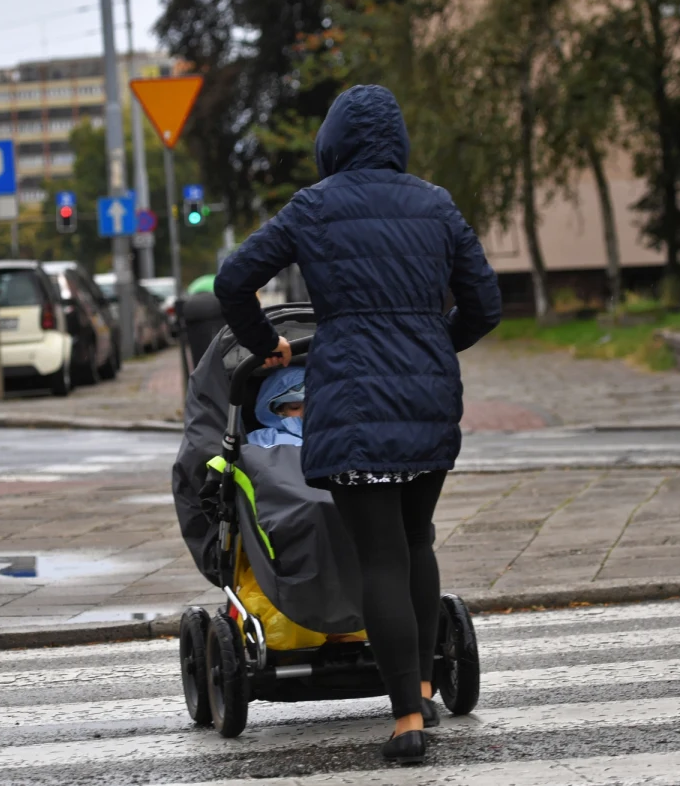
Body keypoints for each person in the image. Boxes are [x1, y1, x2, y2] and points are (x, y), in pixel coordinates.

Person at [214, 85, 502, 765]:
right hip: (428, 400)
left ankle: (407, 719)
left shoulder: (314, 206)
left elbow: (233, 281)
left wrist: (267, 346)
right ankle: (425, 685)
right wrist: (432, 347)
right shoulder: (436, 204)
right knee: (416, 541)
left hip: (350, 399)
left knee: (379, 554)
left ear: (332, 143)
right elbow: (486, 303)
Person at [246, 366, 305, 448]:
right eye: (295, 407)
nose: (306, 412)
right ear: (280, 411)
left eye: (313, 405)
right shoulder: (265, 439)